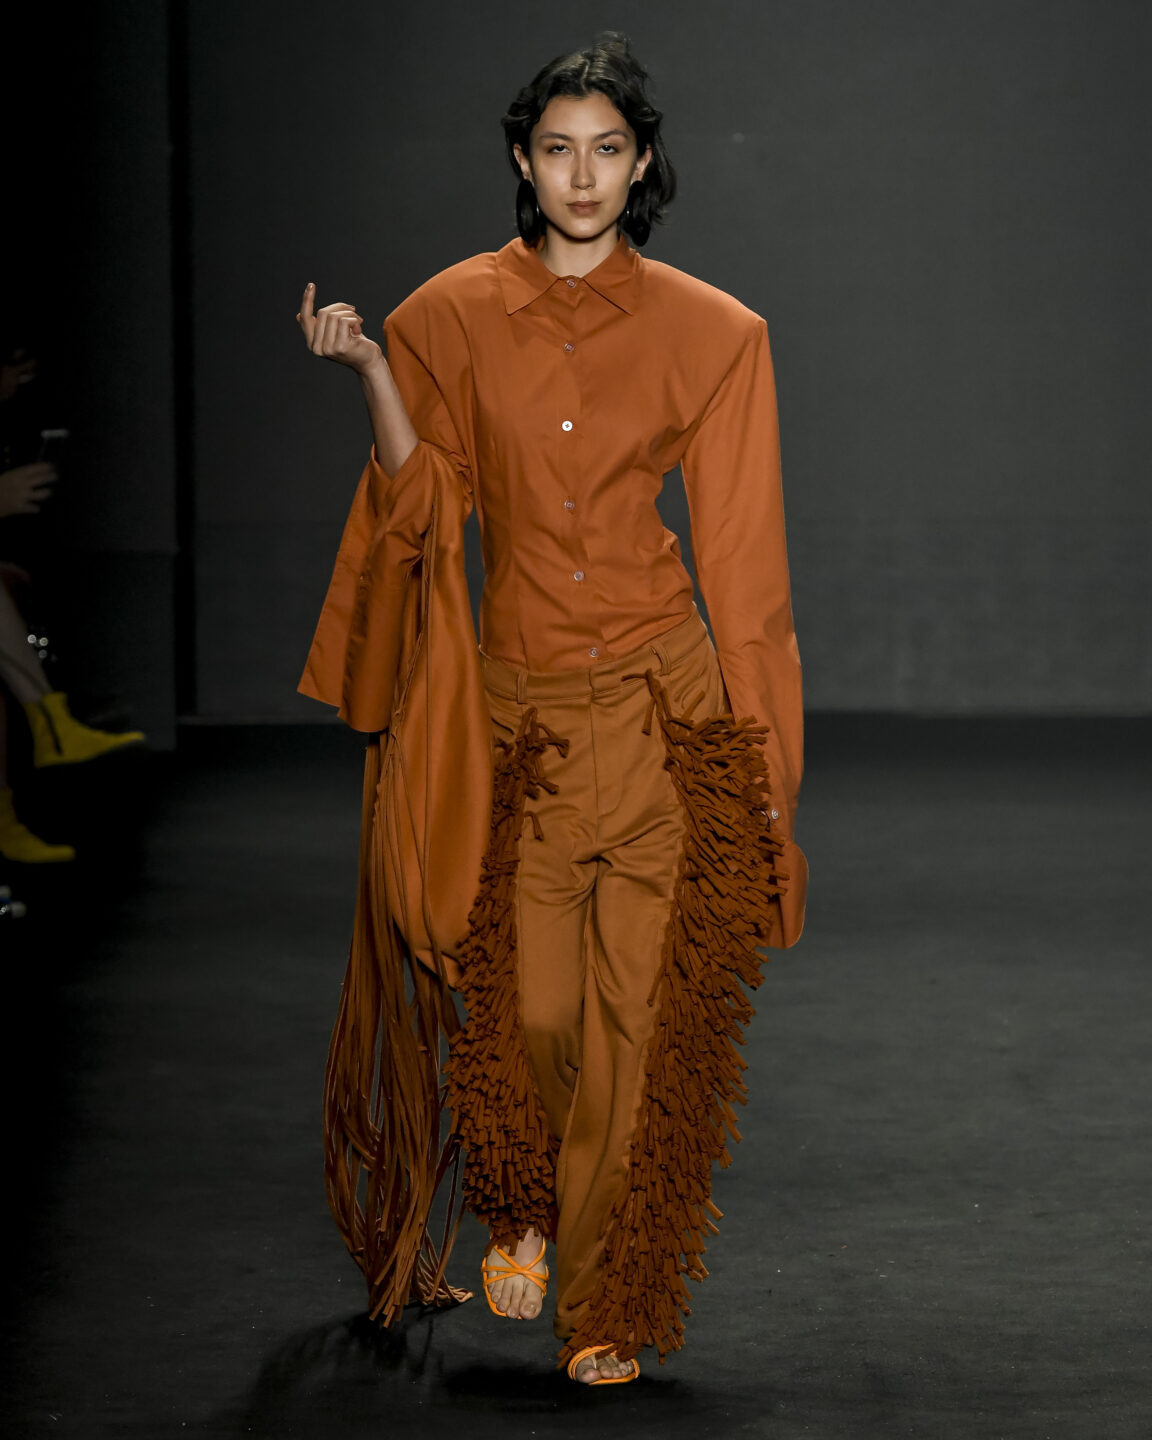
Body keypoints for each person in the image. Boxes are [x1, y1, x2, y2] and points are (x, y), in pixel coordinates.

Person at [296, 31, 808, 1387]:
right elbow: (429, 503)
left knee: (640, 1021)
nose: (583, 176)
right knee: (528, 1013)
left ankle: (605, 1302)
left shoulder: (716, 332)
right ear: (524, 164)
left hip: (661, 714)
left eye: (608, 150)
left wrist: (768, 787)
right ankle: (520, 1200)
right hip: (519, 723)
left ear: (641, 165)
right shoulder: (449, 315)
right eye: (558, 150)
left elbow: (747, 575)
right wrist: (374, 379)